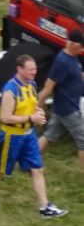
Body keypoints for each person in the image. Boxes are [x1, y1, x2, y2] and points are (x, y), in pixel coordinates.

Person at [0, 53, 68, 217]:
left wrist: (38, 112)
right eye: (30, 70)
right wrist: (31, 118)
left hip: (29, 135)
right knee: (1, 168)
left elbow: (32, 105)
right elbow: (5, 117)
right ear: (19, 69)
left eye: (34, 69)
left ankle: (44, 207)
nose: (33, 72)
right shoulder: (10, 90)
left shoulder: (31, 84)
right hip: (12, 136)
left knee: (37, 169)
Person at [39, 29, 84, 176]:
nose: (82, 49)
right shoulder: (62, 62)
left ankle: (26, 161)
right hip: (68, 109)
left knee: (49, 136)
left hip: (63, 108)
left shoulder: (73, 57)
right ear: (73, 44)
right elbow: (48, 87)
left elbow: (76, 74)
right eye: (81, 46)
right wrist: (37, 107)